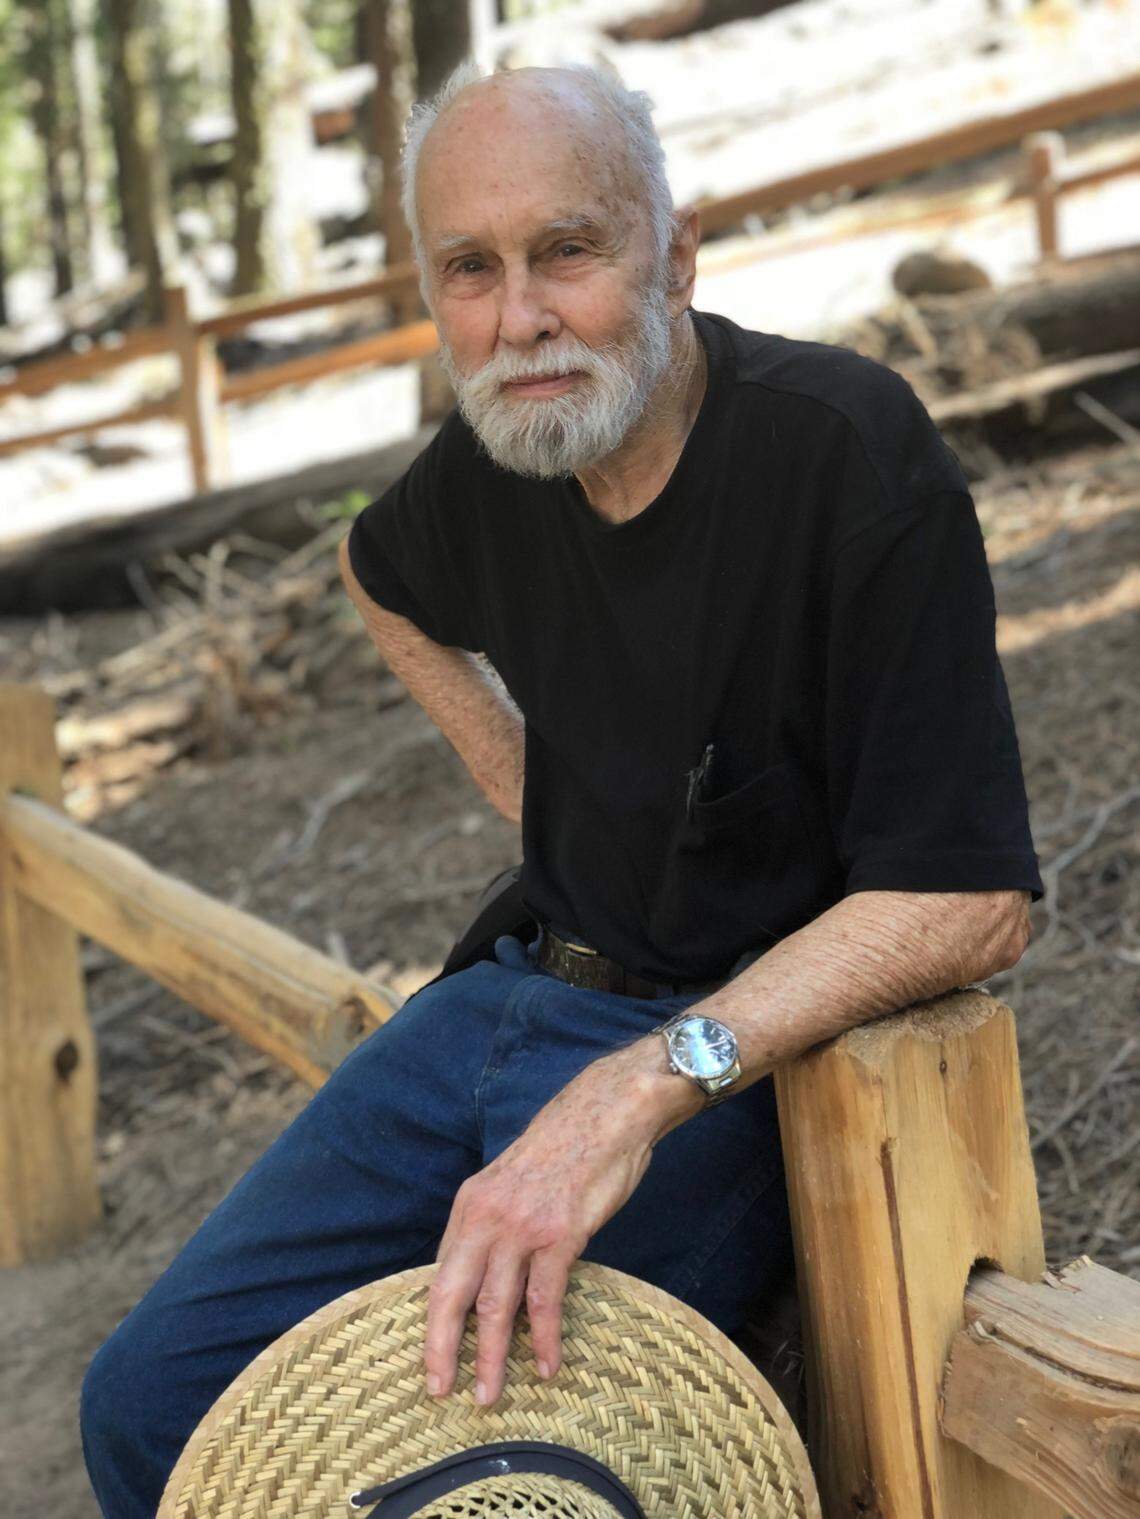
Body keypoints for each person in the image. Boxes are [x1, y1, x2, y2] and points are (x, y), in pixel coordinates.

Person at [81, 62, 1043, 1517]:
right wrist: (542, 791)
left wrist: (639, 1091)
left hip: (724, 1065)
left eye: (568, 252)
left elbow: (970, 900)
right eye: (470, 269)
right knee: (151, 1408)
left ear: (679, 253)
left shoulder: (845, 458)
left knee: (516, 1473)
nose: (518, 317)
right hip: (500, 997)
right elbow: (378, 575)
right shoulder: (502, 453)